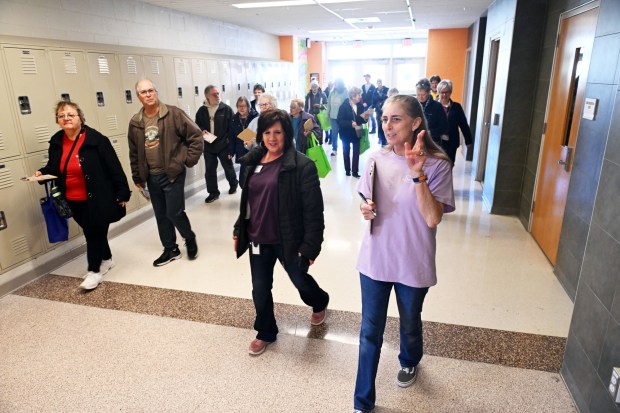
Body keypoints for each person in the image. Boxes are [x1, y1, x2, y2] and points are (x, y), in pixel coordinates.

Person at [353, 94, 455, 413]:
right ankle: (362, 402)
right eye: (384, 119)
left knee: (410, 321)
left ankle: (410, 360)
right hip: (376, 258)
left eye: (395, 119)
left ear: (415, 123)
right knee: (370, 332)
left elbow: (432, 217)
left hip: (413, 260)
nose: (387, 125)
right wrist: (365, 209)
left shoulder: (437, 164)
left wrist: (417, 174)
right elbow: (366, 200)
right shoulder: (374, 159)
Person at [233, 109, 329, 356]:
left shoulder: (301, 165)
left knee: (300, 281)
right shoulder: (252, 161)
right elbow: (248, 201)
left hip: (289, 238)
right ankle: (265, 331)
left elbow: (314, 212)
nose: (272, 138)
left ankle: (319, 301)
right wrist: (238, 230)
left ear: (287, 134)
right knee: (260, 288)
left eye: (278, 132)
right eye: (267, 132)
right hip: (257, 238)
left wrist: (309, 248)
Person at [35, 101, 131, 290]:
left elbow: (114, 168)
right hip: (72, 199)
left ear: (80, 117)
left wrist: (123, 192)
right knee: (92, 231)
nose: (66, 118)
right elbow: (54, 167)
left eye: (71, 115)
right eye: (61, 116)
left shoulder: (96, 140)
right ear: (58, 121)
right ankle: (107, 259)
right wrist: (41, 173)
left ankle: (94, 271)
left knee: (94, 232)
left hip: (98, 197)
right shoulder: (56, 142)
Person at [128, 79, 203, 266]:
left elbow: (196, 136)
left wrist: (186, 160)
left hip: (172, 173)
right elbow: (134, 152)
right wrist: (138, 177)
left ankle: (189, 237)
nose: (148, 94)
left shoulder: (173, 114)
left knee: (174, 212)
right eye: (143, 92)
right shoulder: (136, 122)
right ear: (138, 97)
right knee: (161, 214)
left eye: (151, 90)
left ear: (156, 92)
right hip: (151, 176)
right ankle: (170, 249)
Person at [195, 85, 238, 203]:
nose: (218, 96)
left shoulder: (226, 109)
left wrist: (229, 142)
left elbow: (233, 126)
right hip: (209, 145)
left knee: (228, 167)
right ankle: (213, 193)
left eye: (218, 93)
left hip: (223, 144)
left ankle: (233, 184)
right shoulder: (202, 111)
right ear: (207, 96)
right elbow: (197, 125)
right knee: (209, 170)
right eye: (215, 94)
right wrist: (202, 130)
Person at [437, 79, 473, 166]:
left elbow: (463, 124)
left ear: (450, 92)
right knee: (438, 166)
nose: (444, 95)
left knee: (449, 164)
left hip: (451, 142)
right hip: (437, 142)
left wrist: (468, 140)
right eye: (442, 92)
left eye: (447, 92)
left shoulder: (456, 107)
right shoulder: (434, 106)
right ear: (438, 92)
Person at [337, 86, 368, 178]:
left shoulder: (360, 105)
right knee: (346, 152)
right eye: (358, 95)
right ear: (353, 96)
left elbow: (361, 120)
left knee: (356, 152)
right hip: (345, 133)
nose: (360, 96)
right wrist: (350, 124)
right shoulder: (344, 106)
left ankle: (355, 171)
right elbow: (340, 121)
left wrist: (365, 118)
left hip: (357, 132)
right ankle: (347, 170)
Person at [229, 96, 258, 189]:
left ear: (248, 107)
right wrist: (231, 152)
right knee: (243, 178)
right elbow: (232, 137)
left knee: (254, 173)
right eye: (239, 106)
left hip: (253, 148)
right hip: (241, 149)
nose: (241, 108)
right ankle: (246, 191)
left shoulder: (255, 117)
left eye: (243, 106)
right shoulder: (234, 119)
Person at [416, 78, 449, 148]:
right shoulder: (413, 105)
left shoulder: (437, 106)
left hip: (433, 142)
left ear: (428, 92)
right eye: (418, 94)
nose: (420, 97)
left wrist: (430, 133)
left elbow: (444, 127)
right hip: (416, 141)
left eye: (423, 94)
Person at [326, 78, 348, 157]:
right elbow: (329, 104)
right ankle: (334, 149)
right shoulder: (332, 91)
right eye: (335, 83)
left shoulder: (345, 91)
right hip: (333, 117)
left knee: (343, 133)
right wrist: (327, 114)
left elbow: (348, 104)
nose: (335, 85)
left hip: (342, 117)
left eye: (337, 83)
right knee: (334, 133)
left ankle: (346, 148)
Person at [372, 79, 389, 146]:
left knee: (386, 124)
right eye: (378, 83)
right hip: (378, 110)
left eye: (380, 83)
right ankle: (381, 139)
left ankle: (386, 139)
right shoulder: (375, 91)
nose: (379, 84)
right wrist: (370, 108)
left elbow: (388, 98)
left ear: (381, 83)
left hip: (386, 110)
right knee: (379, 125)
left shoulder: (386, 90)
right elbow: (373, 102)